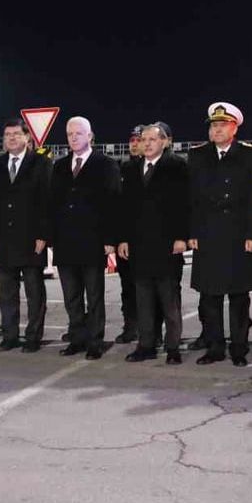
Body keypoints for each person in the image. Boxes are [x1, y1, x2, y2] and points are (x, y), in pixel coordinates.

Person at [188, 102, 252, 366]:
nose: (216, 130)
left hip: (238, 234)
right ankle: (215, 347)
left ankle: (239, 349)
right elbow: (193, 198)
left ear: (234, 128)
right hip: (208, 234)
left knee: (238, 296)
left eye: (222, 125)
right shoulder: (198, 155)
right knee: (210, 295)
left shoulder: (249, 155)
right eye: (213, 125)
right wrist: (193, 231)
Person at [48, 116, 121, 360]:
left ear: (90, 136)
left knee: (95, 295)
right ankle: (76, 338)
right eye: (69, 134)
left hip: (93, 241)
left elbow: (113, 204)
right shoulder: (59, 166)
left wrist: (110, 240)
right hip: (66, 242)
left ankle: (95, 341)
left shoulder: (105, 164)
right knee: (71, 296)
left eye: (78, 133)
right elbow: (53, 204)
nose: (73, 138)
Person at [120, 123, 190, 364]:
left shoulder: (177, 166)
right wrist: (123, 239)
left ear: (164, 142)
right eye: (143, 139)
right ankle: (146, 345)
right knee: (144, 301)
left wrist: (181, 237)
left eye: (152, 139)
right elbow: (125, 209)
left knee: (169, 300)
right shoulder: (131, 168)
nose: (146, 143)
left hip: (167, 246)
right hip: (139, 247)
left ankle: (172, 348)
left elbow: (184, 205)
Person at [0, 119, 53, 353]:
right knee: (7, 292)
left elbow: (46, 201)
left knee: (34, 291)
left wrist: (44, 234)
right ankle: (10, 336)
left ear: (27, 138)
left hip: (31, 238)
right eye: (6, 135)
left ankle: (33, 337)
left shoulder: (41, 164)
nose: (10, 138)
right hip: (3, 239)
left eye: (15, 134)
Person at [115, 124, 146, 345]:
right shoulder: (122, 169)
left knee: (151, 289)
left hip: (148, 241)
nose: (134, 144)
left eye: (139, 140)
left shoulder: (157, 167)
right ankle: (130, 326)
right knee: (128, 288)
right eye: (132, 140)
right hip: (126, 240)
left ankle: (152, 330)